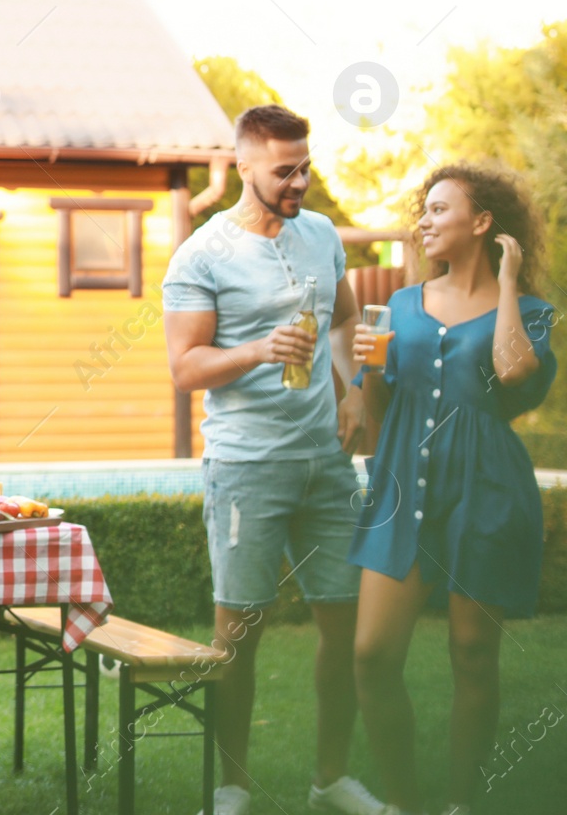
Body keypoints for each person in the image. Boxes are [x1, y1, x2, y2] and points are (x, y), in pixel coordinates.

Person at [163, 104, 382, 815]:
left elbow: (346, 319)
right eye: (284, 171)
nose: (299, 182)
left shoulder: (320, 234)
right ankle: (233, 786)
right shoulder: (203, 254)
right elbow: (185, 367)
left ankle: (331, 780)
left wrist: (351, 391)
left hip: (325, 463)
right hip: (246, 466)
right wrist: (259, 349)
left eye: (305, 167)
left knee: (344, 626)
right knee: (238, 635)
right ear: (245, 166)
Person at [349, 164, 556, 815]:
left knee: (472, 655)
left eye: (440, 210)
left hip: (488, 490)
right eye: (424, 211)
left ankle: (462, 804)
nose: (425, 221)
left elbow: (513, 371)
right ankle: (406, 803)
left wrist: (508, 281)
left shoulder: (529, 312)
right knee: (371, 654)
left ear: (482, 222)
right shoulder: (402, 306)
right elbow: (369, 417)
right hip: (401, 491)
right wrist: (365, 372)